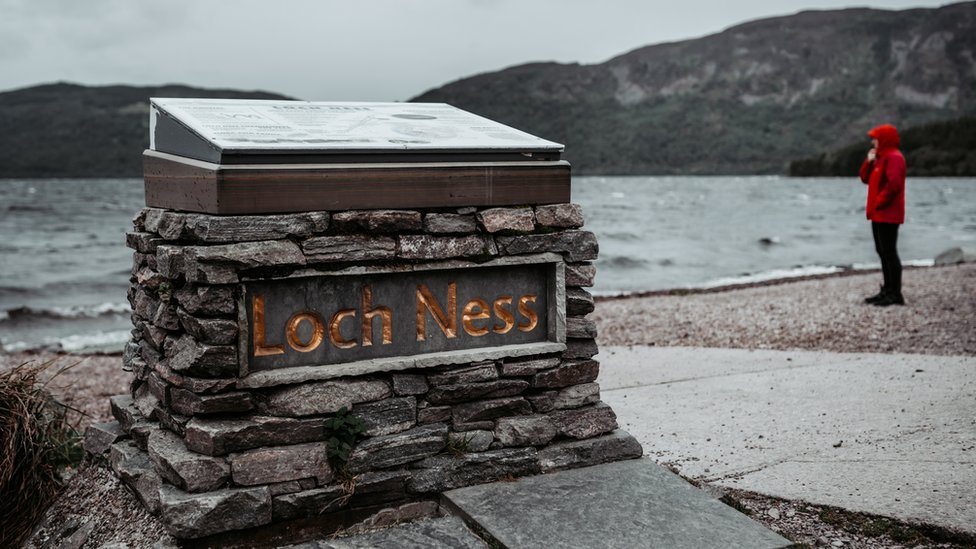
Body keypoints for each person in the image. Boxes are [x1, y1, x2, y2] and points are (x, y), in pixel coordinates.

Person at [859, 123, 906, 306]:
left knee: (889, 252)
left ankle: (895, 293)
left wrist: (879, 202)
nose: (873, 141)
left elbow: (894, 185)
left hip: (888, 214)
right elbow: (864, 178)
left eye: (876, 138)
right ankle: (887, 290)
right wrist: (868, 161)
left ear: (884, 139)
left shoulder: (895, 157)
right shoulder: (880, 157)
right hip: (878, 214)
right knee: (882, 251)